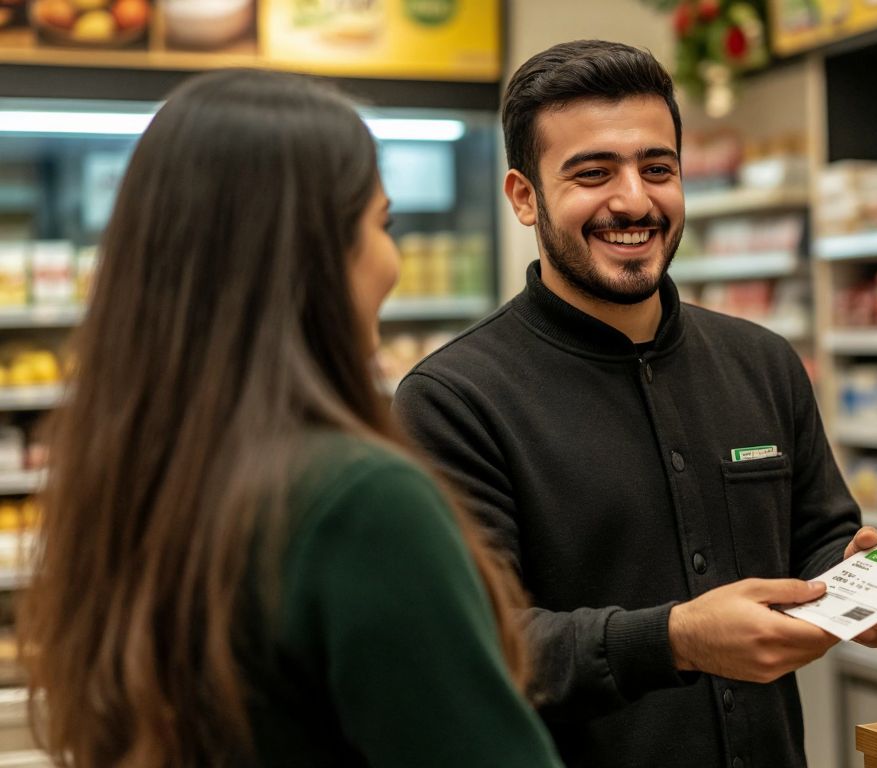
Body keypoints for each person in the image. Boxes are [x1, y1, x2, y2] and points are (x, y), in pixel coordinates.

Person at [394, 40, 877, 767]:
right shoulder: (454, 401)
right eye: (593, 173)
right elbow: (475, 642)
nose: (635, 200)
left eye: (657, 168)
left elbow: (821, 536)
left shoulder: (764, 362)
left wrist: (863, 585)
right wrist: (672, 639)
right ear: (524, 197)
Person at [19, 69, 562, 768]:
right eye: (381, 224)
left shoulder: (136, 478)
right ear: (310, 254)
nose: (391, 261)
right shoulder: (358, 502)